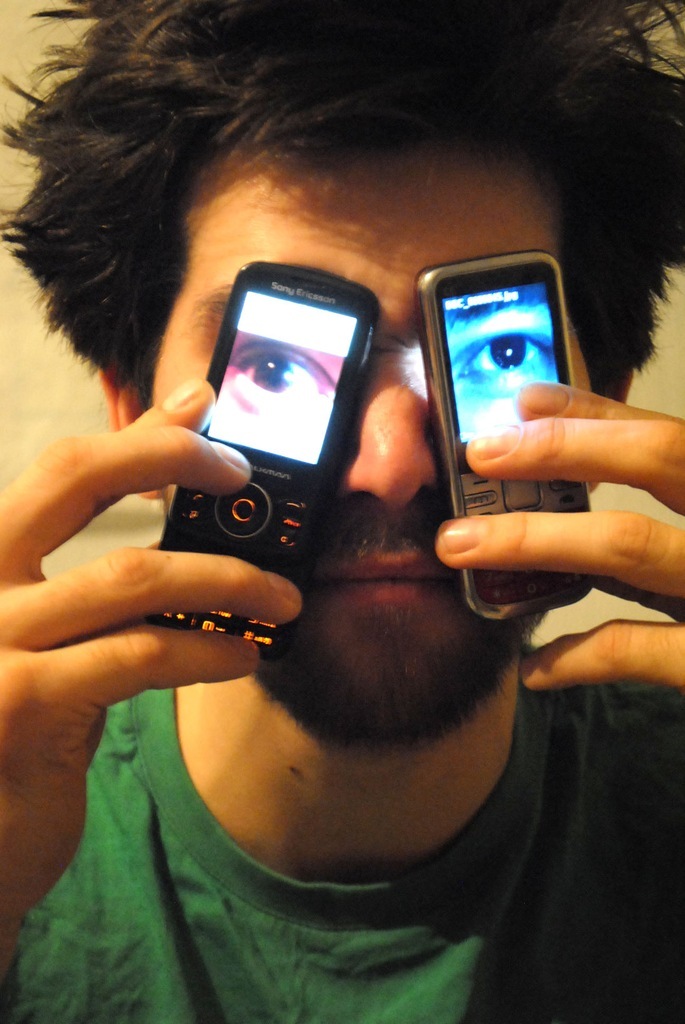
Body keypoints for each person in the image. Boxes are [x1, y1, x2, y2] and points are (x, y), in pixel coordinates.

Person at [0, 0, 684, 1020]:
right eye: (275, 367)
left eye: (496, 355)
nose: (391, 466)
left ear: (607, 403)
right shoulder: (20, 822)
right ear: (133, 415)